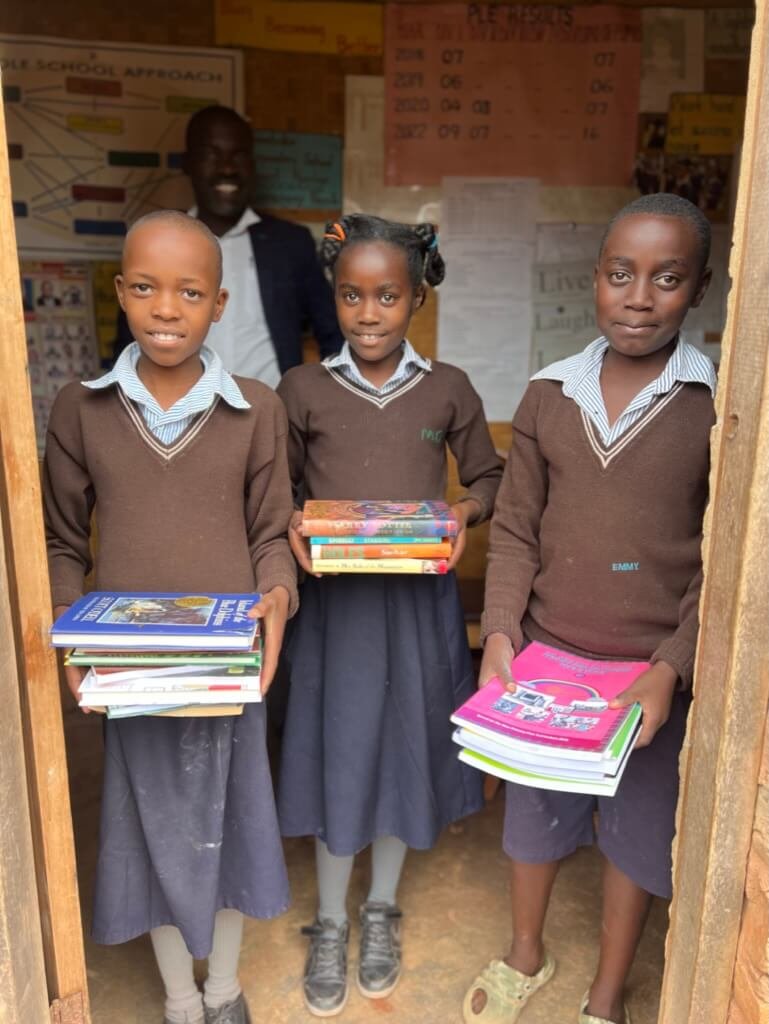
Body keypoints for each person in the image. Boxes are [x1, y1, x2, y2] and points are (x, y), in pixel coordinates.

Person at [462, 193, 717, 1024]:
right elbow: (514, 532)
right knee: (531, 821)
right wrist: (501, 633)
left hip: (647, 678)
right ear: (595, 279)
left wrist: (670, 669)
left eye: (666, 278)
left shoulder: (717, 411)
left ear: (700, 288)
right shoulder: (546, 397)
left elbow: (722, 565)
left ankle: (606, 993)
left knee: (638, 838)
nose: (638, 296)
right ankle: (524, 953)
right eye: (620, 274)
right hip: (547, 661)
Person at [43, 210, 298, 1024]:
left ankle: (223, 988)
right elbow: (58, 540)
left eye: (189, 292)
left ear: (219, 304)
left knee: (227, 825)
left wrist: (279, 599)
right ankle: (180, 998)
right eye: (146, 288)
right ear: (119, 292)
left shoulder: (256, 409)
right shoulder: (79, 409)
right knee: (148, 832)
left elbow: (270, 534)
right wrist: (68, 636)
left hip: (224, 667)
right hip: (129, 671)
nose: (165, 309)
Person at [276, 214, 504, 1017]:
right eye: (349, 296)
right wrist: (295, 524)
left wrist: (458, 516)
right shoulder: (302, 390)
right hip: (335, 616)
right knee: (338, 752)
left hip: (414, 609)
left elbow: (488, 480)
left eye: (385, 296)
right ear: (332, 299)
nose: (367, 314)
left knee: (405, 750)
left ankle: (381, 911)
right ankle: (332, 920)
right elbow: (276, 496)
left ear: (416, 299)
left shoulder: (448, 389)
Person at [113, 105, 342, 380]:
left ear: (253, 165)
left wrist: (329, 403)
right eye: (211, 154)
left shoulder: (290, 244)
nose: (227, 168)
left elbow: (334, 334)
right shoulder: (158, 243)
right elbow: (127, 347)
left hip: (271, 414)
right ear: (188, 163)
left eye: (239, 155)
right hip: (176, 416)